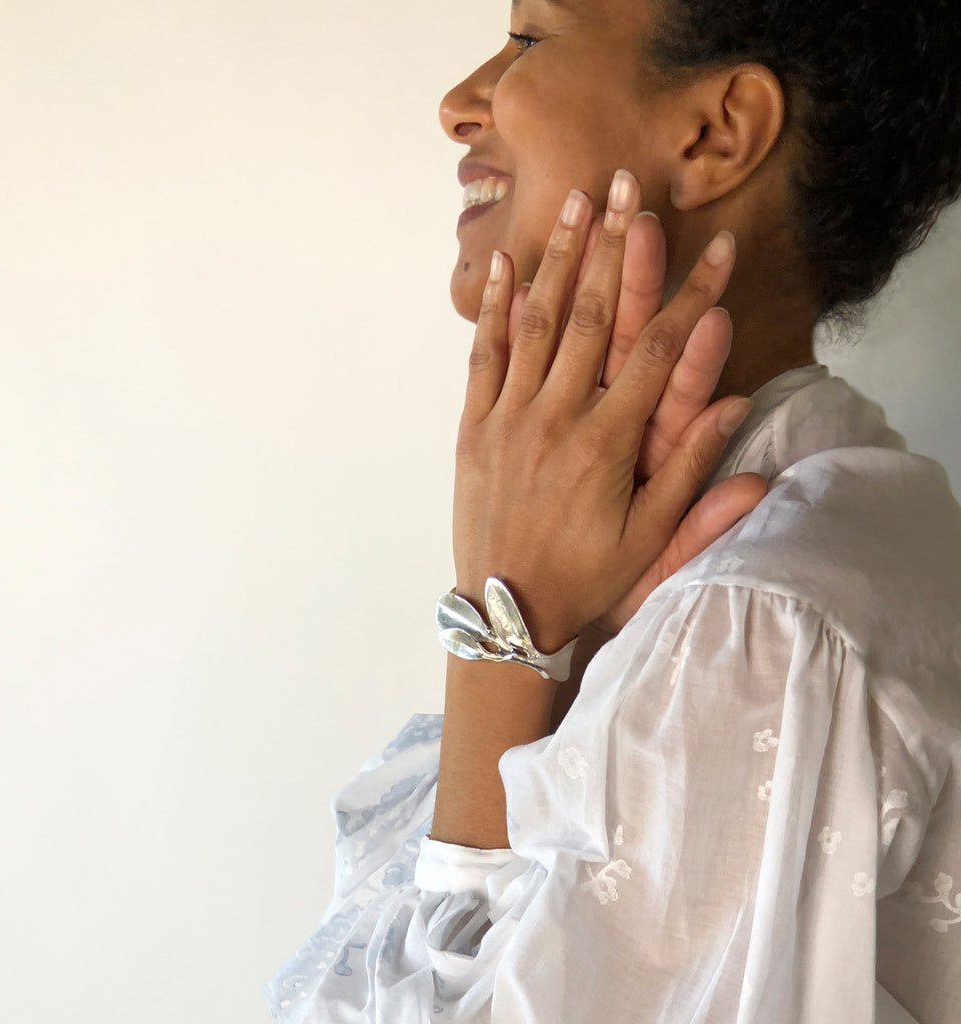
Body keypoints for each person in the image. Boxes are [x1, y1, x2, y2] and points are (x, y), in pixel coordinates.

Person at [266, 0, 961, 1020]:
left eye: (532, 37)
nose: (461, 103)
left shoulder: (755, 630)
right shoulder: (861, 517)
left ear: (718, 130)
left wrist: (502, 636)